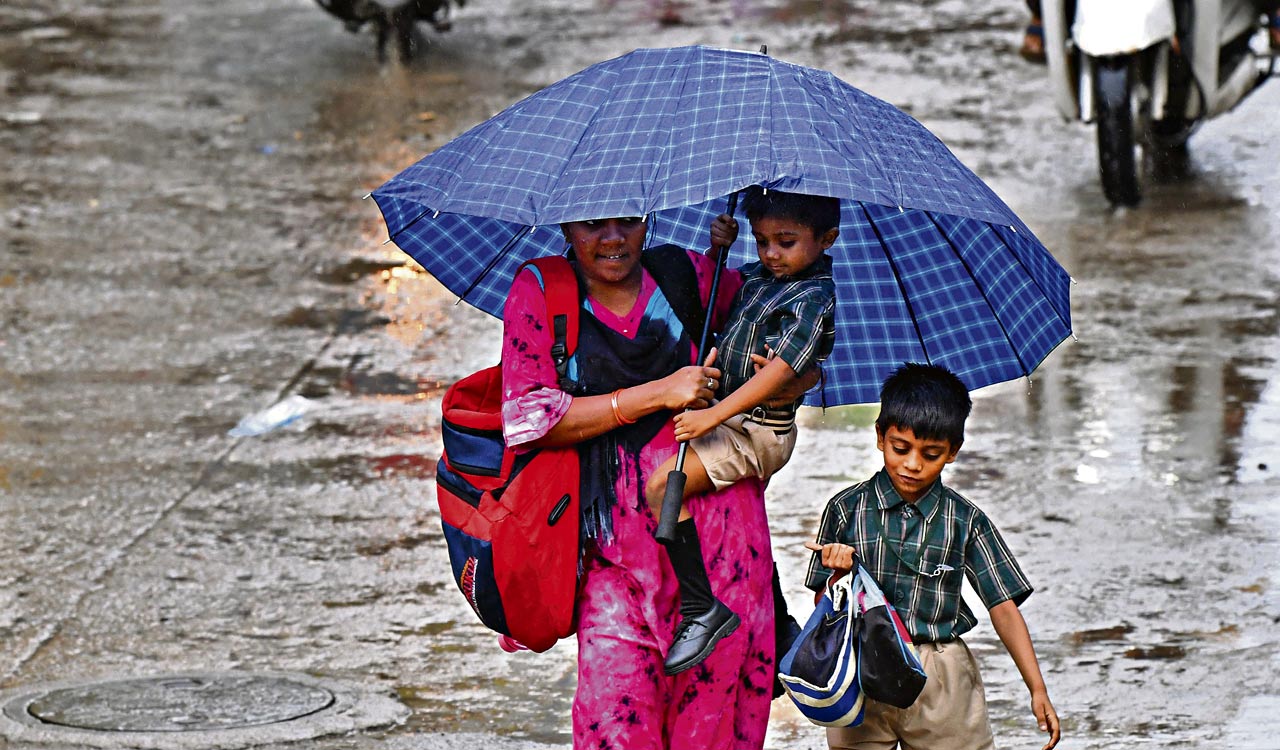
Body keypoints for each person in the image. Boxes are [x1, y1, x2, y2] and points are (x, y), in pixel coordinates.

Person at [500, 215, 811, 748]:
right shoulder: (542, 292)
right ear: (567, 226)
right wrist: (657, 394)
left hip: (721, 554)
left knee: (711, 729)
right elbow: (527, 419)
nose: (613, 238)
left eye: (628, 221)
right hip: (611, 558)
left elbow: (786, 354)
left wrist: (792, 383)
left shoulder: (689, 276)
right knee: (612, 721)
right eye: (594, 224)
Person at [803, 363, 1062, 750]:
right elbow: (825, 607)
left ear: (953, 452)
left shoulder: (965, 520)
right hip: (862, 670)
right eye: (900, 448)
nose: (912, 464)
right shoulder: (845, 509)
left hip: (941, 675)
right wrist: (836, 576)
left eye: (931, 453)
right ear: (879, 436)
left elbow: (1003, 608)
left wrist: (1037, 688)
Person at [643, 187, 839, 676]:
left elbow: (780, 372)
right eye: (762, 240)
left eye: (786, 242)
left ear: (826, 239)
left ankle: (699, 608)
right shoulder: (757, 276)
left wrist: (711, 416)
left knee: (662, 487)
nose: (771, 253)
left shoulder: (814, 295)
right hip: (730, 414)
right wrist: (718, 249)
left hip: (754, 429)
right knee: (738, 524)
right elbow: (719, 300)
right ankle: (778, 622)